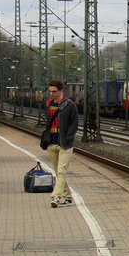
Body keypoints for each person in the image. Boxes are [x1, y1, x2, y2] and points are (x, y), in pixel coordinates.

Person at [44, 80, 79, 208]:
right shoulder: (48, 104)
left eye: (54, 91)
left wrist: (68, 138)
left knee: (61, 171)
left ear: (61, 91)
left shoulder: (70, 106)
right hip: (51, 142)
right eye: (50, 91)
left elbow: (74, 124)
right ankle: (68, 197)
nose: (52, 94)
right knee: (58, 172)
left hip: (65, 144)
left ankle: (56, 196)